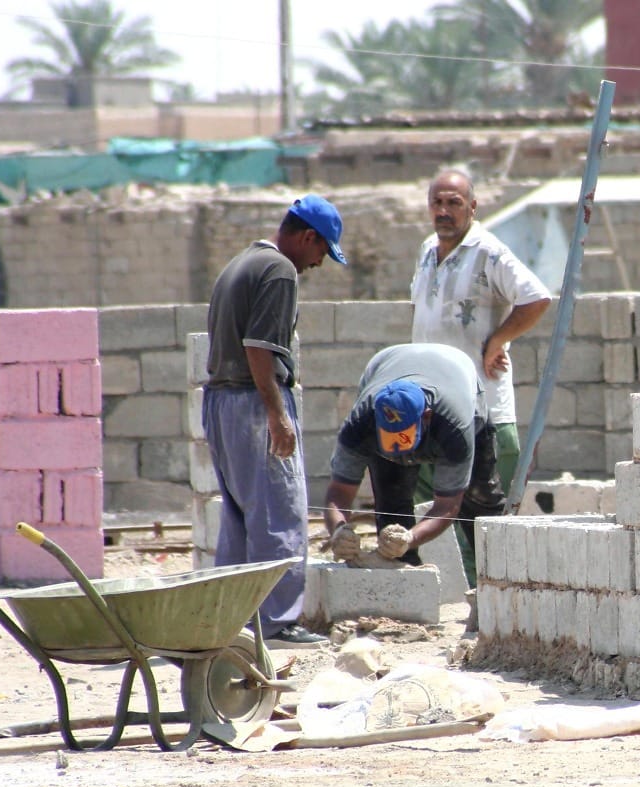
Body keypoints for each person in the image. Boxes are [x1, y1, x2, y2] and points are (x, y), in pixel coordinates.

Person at [203, 193, 346, 649]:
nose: (318, 263)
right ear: (307, 237)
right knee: (280, 514)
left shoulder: (240, 263)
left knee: (240, 517)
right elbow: (259, 347)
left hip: (221, 404)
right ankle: (279, 623)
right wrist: (277, 414)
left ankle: (232, 621)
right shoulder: (280, 270)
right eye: (322, 250)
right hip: (252, 403)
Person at [411, 168, 552, 495]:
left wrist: (498, 340)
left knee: (486, 514)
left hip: (483, 410)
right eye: (437, 202)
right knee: (433, 513)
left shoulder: (488, 251)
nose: (443, 211)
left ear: (472, 207)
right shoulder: (427, 250)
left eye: (454, 203)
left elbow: (536, 297)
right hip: (432, 409)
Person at [320, 343, 504, 588]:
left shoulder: (453, 427)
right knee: (391, 502)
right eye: (389, 437)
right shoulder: (360, 424)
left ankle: (498, 582)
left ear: (425, 416)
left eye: (403, 437)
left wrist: (410, 537)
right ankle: (402, 590)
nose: (397, 448)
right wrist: (338, 530)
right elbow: (340, 491)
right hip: (387, 364)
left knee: (481, 502)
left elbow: (448, 506)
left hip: (456, 373)